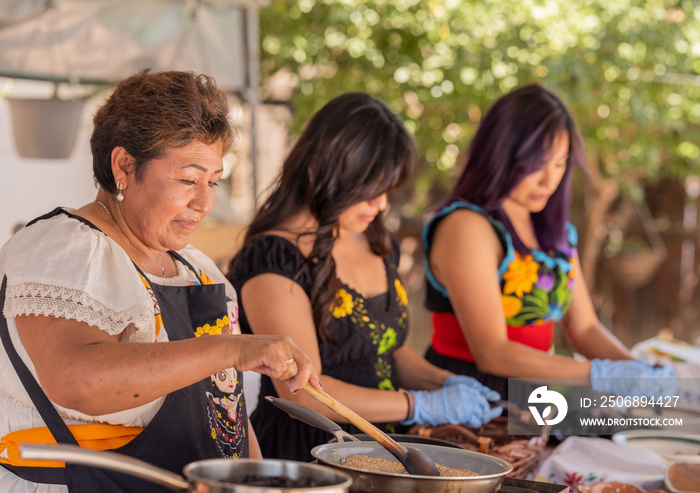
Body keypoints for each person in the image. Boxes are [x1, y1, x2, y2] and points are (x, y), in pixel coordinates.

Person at [0, 69, 320, 493]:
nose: (204, 202)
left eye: (213, 182)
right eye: (188, 180)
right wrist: (230, 348)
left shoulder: (199, 269)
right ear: (124, 166)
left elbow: (227, 410)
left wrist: (255, 479)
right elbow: (75, 379)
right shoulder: (64, 248)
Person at [227, 92, 502, 462]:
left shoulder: (372, 237)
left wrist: (444, 383)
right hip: (311, 455)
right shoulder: (274, 258)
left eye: (387, 189)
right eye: (370, 190)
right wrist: (418, 404)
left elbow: (387, 351)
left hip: (383, 453)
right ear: (318, 169)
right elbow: (304, 392)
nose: (382, 204)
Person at [422, 83, 676, 400]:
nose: (550, 180)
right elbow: (492, 353)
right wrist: (599, 374)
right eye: (536, 165)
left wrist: (638, 371)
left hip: (534, 395)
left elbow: (584, 328)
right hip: (470, 398)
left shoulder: (555, 231)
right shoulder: (467, 226)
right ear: (499, 155)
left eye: (560, 164)